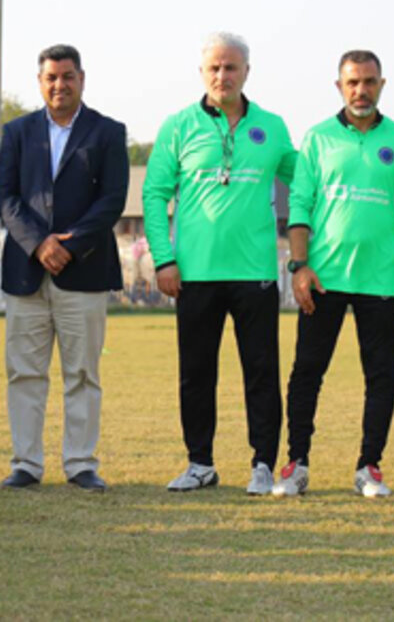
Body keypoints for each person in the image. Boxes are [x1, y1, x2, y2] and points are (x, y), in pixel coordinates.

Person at [271, 51, 394, 499]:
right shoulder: (318, 138)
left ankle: (369, 467)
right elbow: (299, 204)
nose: (361, 90)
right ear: (339, 86)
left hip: (379, 280)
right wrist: (299, 266)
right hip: (323, 278)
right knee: (307, 372)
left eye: (368, 82)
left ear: (382, 84)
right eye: (352, 83)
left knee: (380, 376)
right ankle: (296, 464)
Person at [143, 31, 297, 495]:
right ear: (202, 72)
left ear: (247, 72)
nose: (222, 75)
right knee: (196, 373)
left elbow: (305, 182)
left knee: (261, 373)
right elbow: (154, 194)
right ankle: (200, 463)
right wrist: (164, 259)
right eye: (214, 67)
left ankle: (263, 464)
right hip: (195, 274)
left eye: (231, 67)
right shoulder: (178, 126)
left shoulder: (272, 127)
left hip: (255, 273)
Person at [0, 44, 129, 492]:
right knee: (24, 373)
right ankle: (26, 464)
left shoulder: (108, 132)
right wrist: (39, 244)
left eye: (68, 76)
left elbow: (112, 199)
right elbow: (5, 197)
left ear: (81, 79)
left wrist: (70, 245)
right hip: (26, 271)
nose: (59, 85)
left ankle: (80, 463)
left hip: (84, 270)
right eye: (51, 77)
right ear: (40, 82)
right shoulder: (17, 132)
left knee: (83, 375)